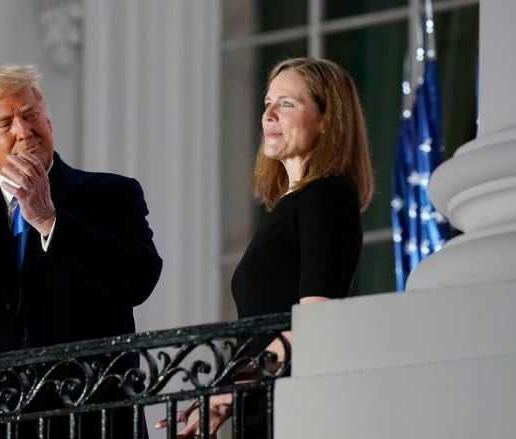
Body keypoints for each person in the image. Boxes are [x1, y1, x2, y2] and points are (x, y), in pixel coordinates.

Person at [0, 64, 163, 437]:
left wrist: (51, 221)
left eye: (31, 114)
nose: (24, 131)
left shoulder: (111, 195)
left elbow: (138, 281)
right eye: (4, 124)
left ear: (49, 120)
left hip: (87, 420)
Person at [156, 57, 374, 437]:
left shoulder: (326, 196)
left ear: (326, 120)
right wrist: (229, 389)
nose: (269, 114)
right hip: (267, 402)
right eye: (268, 103)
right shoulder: (292, 204)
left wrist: (230, 387)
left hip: (295, 409)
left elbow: (314, 324)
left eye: (287, 103)